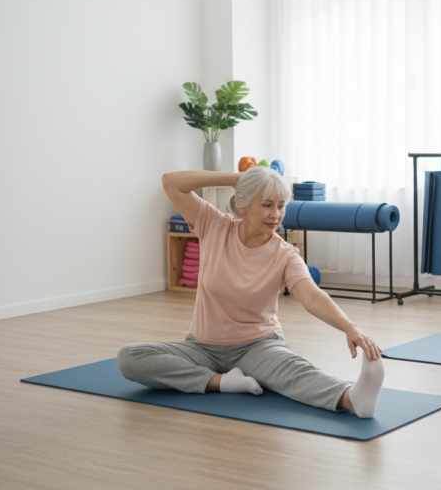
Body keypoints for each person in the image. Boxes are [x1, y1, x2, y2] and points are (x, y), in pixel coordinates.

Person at [118, 167, 385, 417]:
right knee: (130, 357)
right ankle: (222, 383)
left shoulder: (285, 255)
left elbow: (312, 296)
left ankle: (352, 398)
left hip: (258, 346)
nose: (276, 215)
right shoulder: (214, 225)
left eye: (281, 206)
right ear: (243, 206)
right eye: (267, 205)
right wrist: (233, 179)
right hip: (201, 347)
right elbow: (171, 182)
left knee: (293, 371)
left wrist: (350, 327)